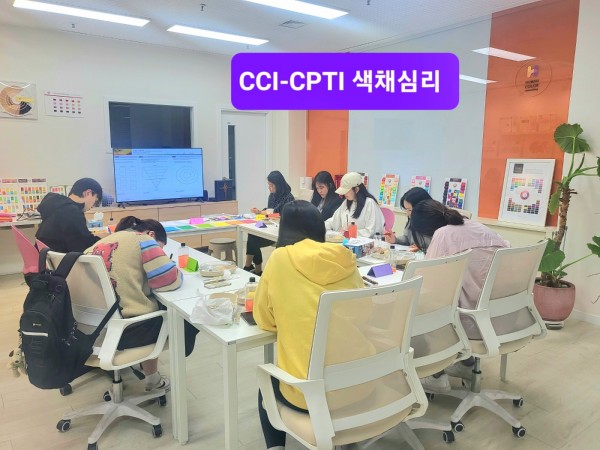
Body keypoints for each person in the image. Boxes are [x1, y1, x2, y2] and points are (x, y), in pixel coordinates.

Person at [253, 200, 373, 450]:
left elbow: (264, 320)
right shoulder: (344, 257)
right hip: (362, 383)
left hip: (310, 395)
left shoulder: (280, 258)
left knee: (267, 384)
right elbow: (364, 313)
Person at [86, 216, 198, 392]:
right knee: (184, 315)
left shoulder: (96, 245)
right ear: (151, 235)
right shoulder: (143, 240)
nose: (159, 252)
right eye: (160, 249)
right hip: (128, 328)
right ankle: (159, 375)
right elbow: (170, 281)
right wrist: (171, 266)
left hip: (93, 330)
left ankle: (152, 377)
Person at [409, 199, 509, 392]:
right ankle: (466, 365)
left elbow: (428, 283)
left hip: (471, 320)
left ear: (423, 230)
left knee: (419, 308)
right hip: (502, 315)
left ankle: (435, 375)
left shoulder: (442, 234)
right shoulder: (478, 227)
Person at [244, 170, 294, 275]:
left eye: (271, 185)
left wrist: (262, 213)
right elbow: (269, 212)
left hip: (280, 230)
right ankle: (253, 268)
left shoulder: (289, 198)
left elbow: (280, 215)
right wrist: (260, 212)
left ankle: (252, 267)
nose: (269, 187)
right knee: (252, 232)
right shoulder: (272, 195)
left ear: (278, 185)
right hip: (269, 225)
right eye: (269, 185)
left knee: (253, 239)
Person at [36, 178, 105, 252]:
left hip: (45, 255)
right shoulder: (71, 211)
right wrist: (103, 238)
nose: (93, 206)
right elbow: (84, 246)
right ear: (88, 193)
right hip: (60, 257)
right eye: (95, 201)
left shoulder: (57, 206)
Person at [325, 171, 384, 238]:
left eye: (346, 191)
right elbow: (334, 220)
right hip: (348, 241)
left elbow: (372, 231)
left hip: (364, 242)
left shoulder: (369, 203)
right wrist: (322, 226)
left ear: (356, 189)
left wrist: (350, 232)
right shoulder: (346, 202)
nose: (344, 193)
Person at [384, 187, 432, 251]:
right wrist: (395, 240)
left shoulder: (435, 222)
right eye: (406, 210)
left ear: (422, 207)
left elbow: (439, 248)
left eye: (409, 210)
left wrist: (421, 249)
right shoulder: (412, 219)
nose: (407, 214)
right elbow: (407, 238)